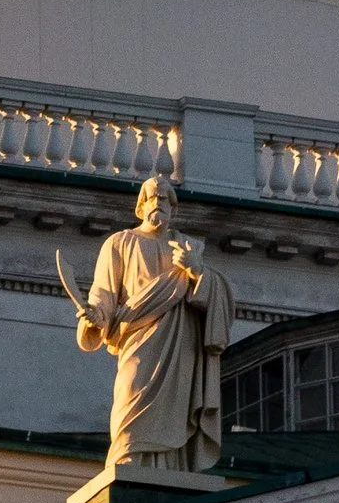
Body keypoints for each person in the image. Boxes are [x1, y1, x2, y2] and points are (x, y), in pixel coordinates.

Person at [68, 174, 234, 472]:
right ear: (141, 206)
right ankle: (129, 458)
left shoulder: (189, 247)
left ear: (174, 209)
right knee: (131, 397)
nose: (158, 204)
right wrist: (96, 317)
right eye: (152, 199)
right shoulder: (120, 243)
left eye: (165, 200)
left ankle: (174, 465)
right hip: (137, 340)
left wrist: (196, 271)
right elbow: (103, 294)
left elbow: (220, 295)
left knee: (176, 409)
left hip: (180, 346)